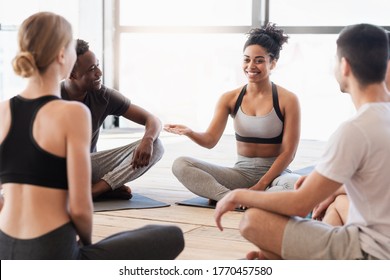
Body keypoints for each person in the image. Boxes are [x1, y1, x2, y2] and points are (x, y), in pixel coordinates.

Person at [0, 11, 184, 260]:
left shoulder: (3, 110)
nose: (98, 71)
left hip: (5, 249)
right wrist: (85, 246)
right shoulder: (73, 113)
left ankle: (105, 188)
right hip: (52, 251)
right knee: (171, 236)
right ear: (63, 57)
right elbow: (79, 208)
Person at [215, 23, 390, 260]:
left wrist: (237, 196)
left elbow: (299, 205)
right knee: (336, 203)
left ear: (344, 66)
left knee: (254, 219)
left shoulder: (355, 129)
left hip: (371, 254)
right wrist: (328, 184)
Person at [164, 23, 301, 203]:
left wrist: (262, 184)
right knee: (181, 164)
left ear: (272, 63)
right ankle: (235, 199)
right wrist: (190, 132)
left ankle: (250, 197)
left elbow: (289, 153)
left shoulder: (288, 100)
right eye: (246, 59)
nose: (251, 66)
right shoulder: (229, 98)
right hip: (240, 175)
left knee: (298, 184)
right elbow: (210, 140)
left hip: (276, 176)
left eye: (259, 60)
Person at [61, 39, 164, 200]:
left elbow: (152, 119)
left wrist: (148, 140)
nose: (99, 73)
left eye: (98, 65)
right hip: (56, 169)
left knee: (157, 146)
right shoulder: (49, 98)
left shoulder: (103, 95)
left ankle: (96, 189)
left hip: (89, 165)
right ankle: (103, 186)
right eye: (92, 69)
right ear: (72, 74)